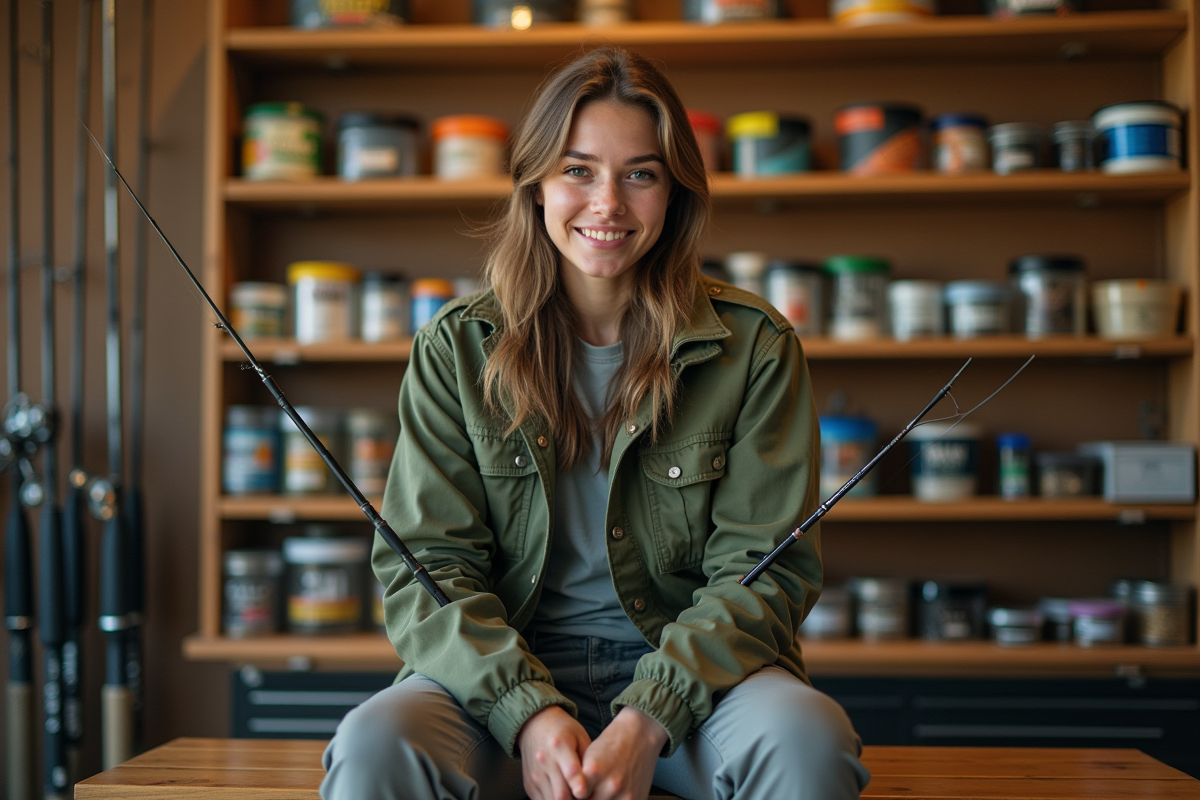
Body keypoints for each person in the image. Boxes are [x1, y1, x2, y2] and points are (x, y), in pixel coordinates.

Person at [321, 47, 870, 800]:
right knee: (373, 743)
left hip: (696, 687)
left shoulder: (755, 347)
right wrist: (529, 710)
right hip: (494, 685)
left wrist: (650, 715)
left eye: (639, 173)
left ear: (674, 192)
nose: (607, 203)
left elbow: (763, 575)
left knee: (810, 738)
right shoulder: (455, 347)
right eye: (578, 170)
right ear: (535, 183)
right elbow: (427, 569)